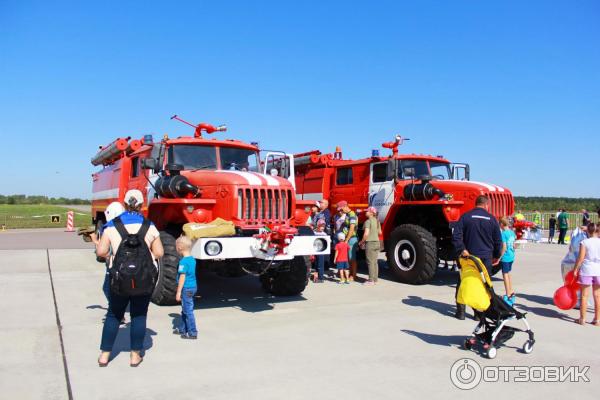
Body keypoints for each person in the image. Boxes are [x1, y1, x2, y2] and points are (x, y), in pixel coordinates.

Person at [95, 190, 164, 367]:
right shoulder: (150, 226)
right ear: (142, 205)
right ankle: (135, 356)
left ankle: (104, 355)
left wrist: (111, 257)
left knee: (113, 315)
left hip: (119, 279)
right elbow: (159, 253)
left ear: (124, 204)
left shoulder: (111, 226)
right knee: (139, 315)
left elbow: (101, 252)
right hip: (143, 280)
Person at [451, 195, 502, 320]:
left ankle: (461, 312)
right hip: (485, 258)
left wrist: (461, 249)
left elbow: (456, 235)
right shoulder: (492, 219)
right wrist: (496, 256)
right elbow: (498, 241)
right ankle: (479, 313)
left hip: (469, 258)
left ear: (476, 204)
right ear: (486, 205)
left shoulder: (466, 217)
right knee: (484, 285)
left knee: (463, 282)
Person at [90, 201, 125, 305]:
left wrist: (96, 241)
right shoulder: (126, 227)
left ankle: (116, 311)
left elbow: (102, 252)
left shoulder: (110, 228)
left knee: (107, 288)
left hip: (113, 264)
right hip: (125, 263)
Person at [573, 223, 600, 326]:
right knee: (597, 296)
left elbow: (580, 258)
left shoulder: (584, 242)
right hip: (598, 270)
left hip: (587, 270)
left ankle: (582, 319)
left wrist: (575, 269)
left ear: (587, 231)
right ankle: (597, 320)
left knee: (584, 295)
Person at [174, 235, 198, 339]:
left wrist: (178, 292)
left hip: (186, 288)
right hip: (193, 287)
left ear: (179, 247)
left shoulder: (183, 262)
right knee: (185, 309)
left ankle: (192, 332)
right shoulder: (192, 259)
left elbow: (182, 277)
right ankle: (183, 328)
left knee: (188, 310)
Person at [337, 201, 359, 281]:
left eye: (341, 209)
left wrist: (346, 240)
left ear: (345, 206)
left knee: (352, 258)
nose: (341, 211)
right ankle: (350, 273)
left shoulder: (352, 215)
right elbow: (346, 225)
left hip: (351, 238)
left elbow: (352, 228)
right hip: (348, 238)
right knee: (348, 258)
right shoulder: (347, 215)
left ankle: (354, 275)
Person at [359, 206, 381, 285]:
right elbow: (380, 233)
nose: (365, 212)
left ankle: (371, 280)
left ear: (371, 213)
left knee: (370, 262)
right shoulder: (377, 221)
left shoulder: (368, 221)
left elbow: (366, 233)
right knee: (375, 262)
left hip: (370, 243)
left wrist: (362, 242)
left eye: (367, 211)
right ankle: (375, 279)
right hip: (377, 242)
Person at [498, 217, 517, 305]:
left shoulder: (503, 234)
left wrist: (499, 257)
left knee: (505, 274)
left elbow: (504, 247)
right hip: (512, 256)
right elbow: (514, 245)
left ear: (502, 224)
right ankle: (511, 290)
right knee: (509, 273)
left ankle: (508, 293)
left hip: (505, 257)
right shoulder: (512, 232)